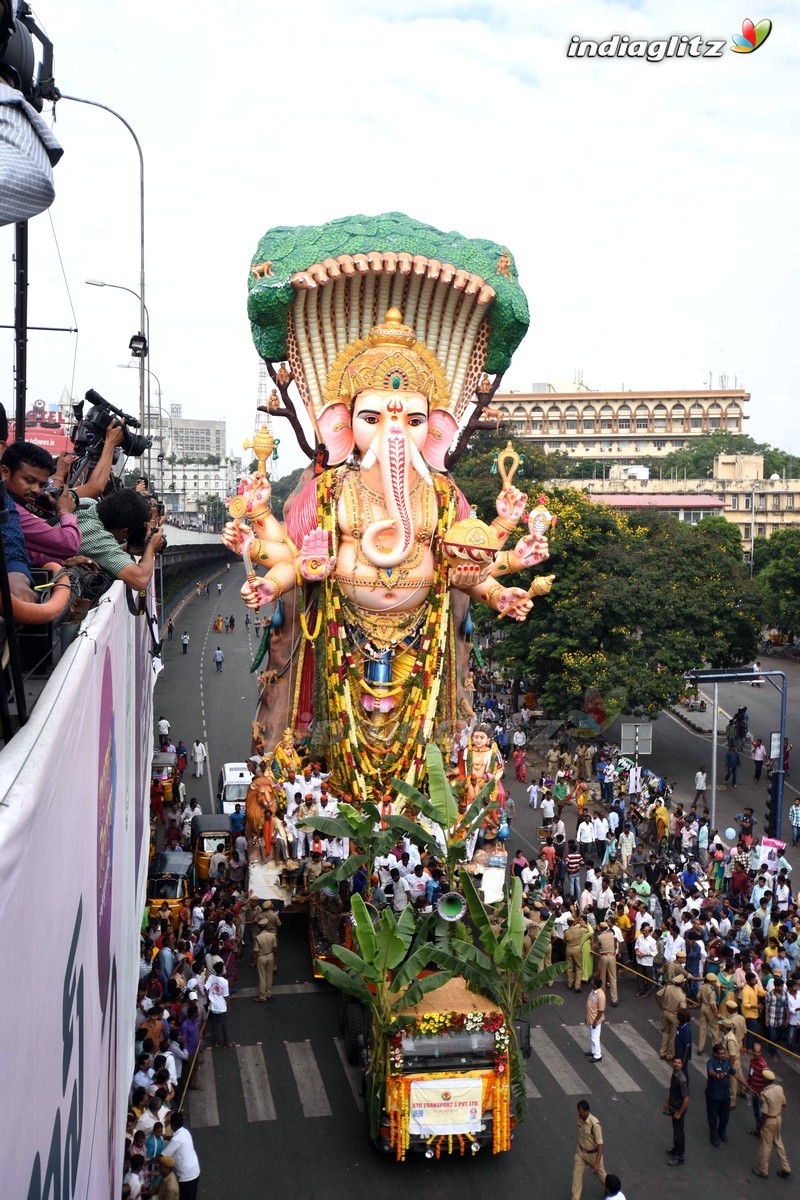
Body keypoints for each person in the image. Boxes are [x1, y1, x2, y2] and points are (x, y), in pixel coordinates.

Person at [74, 488, 164, 587]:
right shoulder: (96, 537)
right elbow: (140, 580)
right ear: (124, 530)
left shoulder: (87, 503)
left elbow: (99, 550)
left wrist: (126, 548)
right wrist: (150, 548)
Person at [705, 1041, 748, 1147]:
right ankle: (714, 1138)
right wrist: (717, 1075)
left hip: (725, 1096)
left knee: (725, 1117)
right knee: (713, 1118)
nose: (722, 1055)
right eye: (719, 1053)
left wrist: (746, 1085)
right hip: (713, 1096)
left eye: (723, 1053)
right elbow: (710, 1072)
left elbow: (735, 1074)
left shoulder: (726, 1062)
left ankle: (722, 1133)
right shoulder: (711, 1062)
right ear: (715, 1054)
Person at [752, 1069, 791, 1179]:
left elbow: (764, 1114)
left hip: (769, 1121)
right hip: (778, 1118)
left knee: (766, 1145)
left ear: (764, 1080)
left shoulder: (765, 1094)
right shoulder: (779, 1088)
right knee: (778, 1142)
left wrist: (761, 1126)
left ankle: (763, 1170)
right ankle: (786, 1167)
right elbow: (784, 1104)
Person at [572, 1100, 606, 1200]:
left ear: (587, 1111)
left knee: (602, 1175)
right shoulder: (579, 1118)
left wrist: (596, 1163)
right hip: (581, 1152)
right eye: (578, 1111)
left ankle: (613, 1190)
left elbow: (600, 1145)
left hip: (593, 1155)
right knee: (576, 1177)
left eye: (581, 1111)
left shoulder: (595, 1125)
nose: (579, 1113)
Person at [162, 1112, 201, 1200]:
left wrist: (147, 1162)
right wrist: (166, 1137)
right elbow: (174, 1139)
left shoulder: (176, 1140)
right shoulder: (184, 1132)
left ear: (173, 1125)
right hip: (194, 1170)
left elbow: (162, 1155)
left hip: (187, 1176)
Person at [664, 1053, 689, 1166]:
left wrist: (679, 1113)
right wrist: (667, 1102)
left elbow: (686, 1099)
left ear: (682, 1064)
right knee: (676, 1131)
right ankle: (676, 1149)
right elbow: (672, 1090)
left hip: (678, 1110)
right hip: (673, 1107)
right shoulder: (675, 1074)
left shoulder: (681, 1079)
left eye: (679, 1063)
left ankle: (679, 1156)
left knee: (679, 1133)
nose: (676, 1064)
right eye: (675, 1062)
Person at [206, 962, 232, 1048]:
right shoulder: (225, 982)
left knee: (214, 1025)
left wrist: (210, 996)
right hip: (221, 1007)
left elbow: (205, 988)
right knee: (224, 1025)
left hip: (213, 1006)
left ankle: (216, 1041)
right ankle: (227, 1042)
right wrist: (229, 1005)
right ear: (221, 970)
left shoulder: (211, 977)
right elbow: (226, 996)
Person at [253, 916, 277, 1001]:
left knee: (262, 977)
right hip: (270, 955)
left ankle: (262, 996)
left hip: (261, 957)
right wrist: (275, 957)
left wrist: (254, 962)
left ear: (259, 928)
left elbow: (256, 952)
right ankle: (268, 993)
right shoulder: (272, 935)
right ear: (267, 926)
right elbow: (275, 948)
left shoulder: (257, 938)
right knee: (269, 975)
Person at [585, 975, 606, 1063]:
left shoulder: (601, 996)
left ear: (596, 985)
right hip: (590, 1017)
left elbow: (601, 1010)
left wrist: (596, 1021)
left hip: (595, 1020)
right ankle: (593, 1051)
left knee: (595, 1037)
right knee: (591, 1036)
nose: (591, 983)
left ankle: (598, 1055)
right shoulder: (593, 991)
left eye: (592, 982)